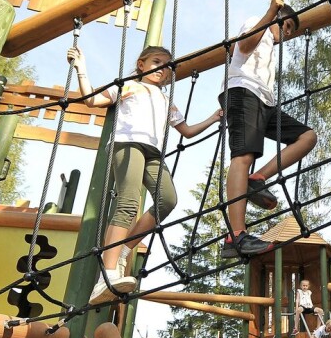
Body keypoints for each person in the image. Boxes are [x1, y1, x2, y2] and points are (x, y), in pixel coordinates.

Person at [67, 45, 222, 305]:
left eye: (167, 66)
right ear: (142, 64)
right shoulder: (129, 86)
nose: (162, 69)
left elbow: (187, 131)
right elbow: (92, 100)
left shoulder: (166, 100)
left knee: (167, 200)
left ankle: (124, 250)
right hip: (127, 144)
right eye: (156, 62)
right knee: (128, 202)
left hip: (153, 153)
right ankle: (107, 274)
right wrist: (81, 67)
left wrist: (213, 118)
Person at [220, 0, 317, 258]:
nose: (288, 34)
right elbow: (241, 47)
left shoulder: (270, 46)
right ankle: (235, 236)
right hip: (243, 91)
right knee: (243, 156)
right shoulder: (257, 24)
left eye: (291, 30)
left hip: (264, 101)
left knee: (307, 137)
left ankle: (257, 178)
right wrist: (270, 13)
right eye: (287, 26)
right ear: (276, 18)